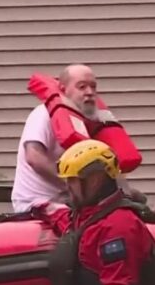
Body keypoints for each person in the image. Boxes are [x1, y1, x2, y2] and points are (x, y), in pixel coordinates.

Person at [32, 139, 155, 285]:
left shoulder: (119, 226)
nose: (68, 186)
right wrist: (48, 210)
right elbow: (74, 229)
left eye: (72, 180)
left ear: (95, 180)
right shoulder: (88, 216)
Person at [11, 63, 143, 213]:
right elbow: (34, 157)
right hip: (38, 202)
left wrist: (126, 193)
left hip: (74, 200)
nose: (89, 92)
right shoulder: (43, 114)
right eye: (82, 87)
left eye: (93, 87)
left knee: (135, 205)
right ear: (63, 90)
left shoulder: (95, 121)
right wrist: (71, 183)